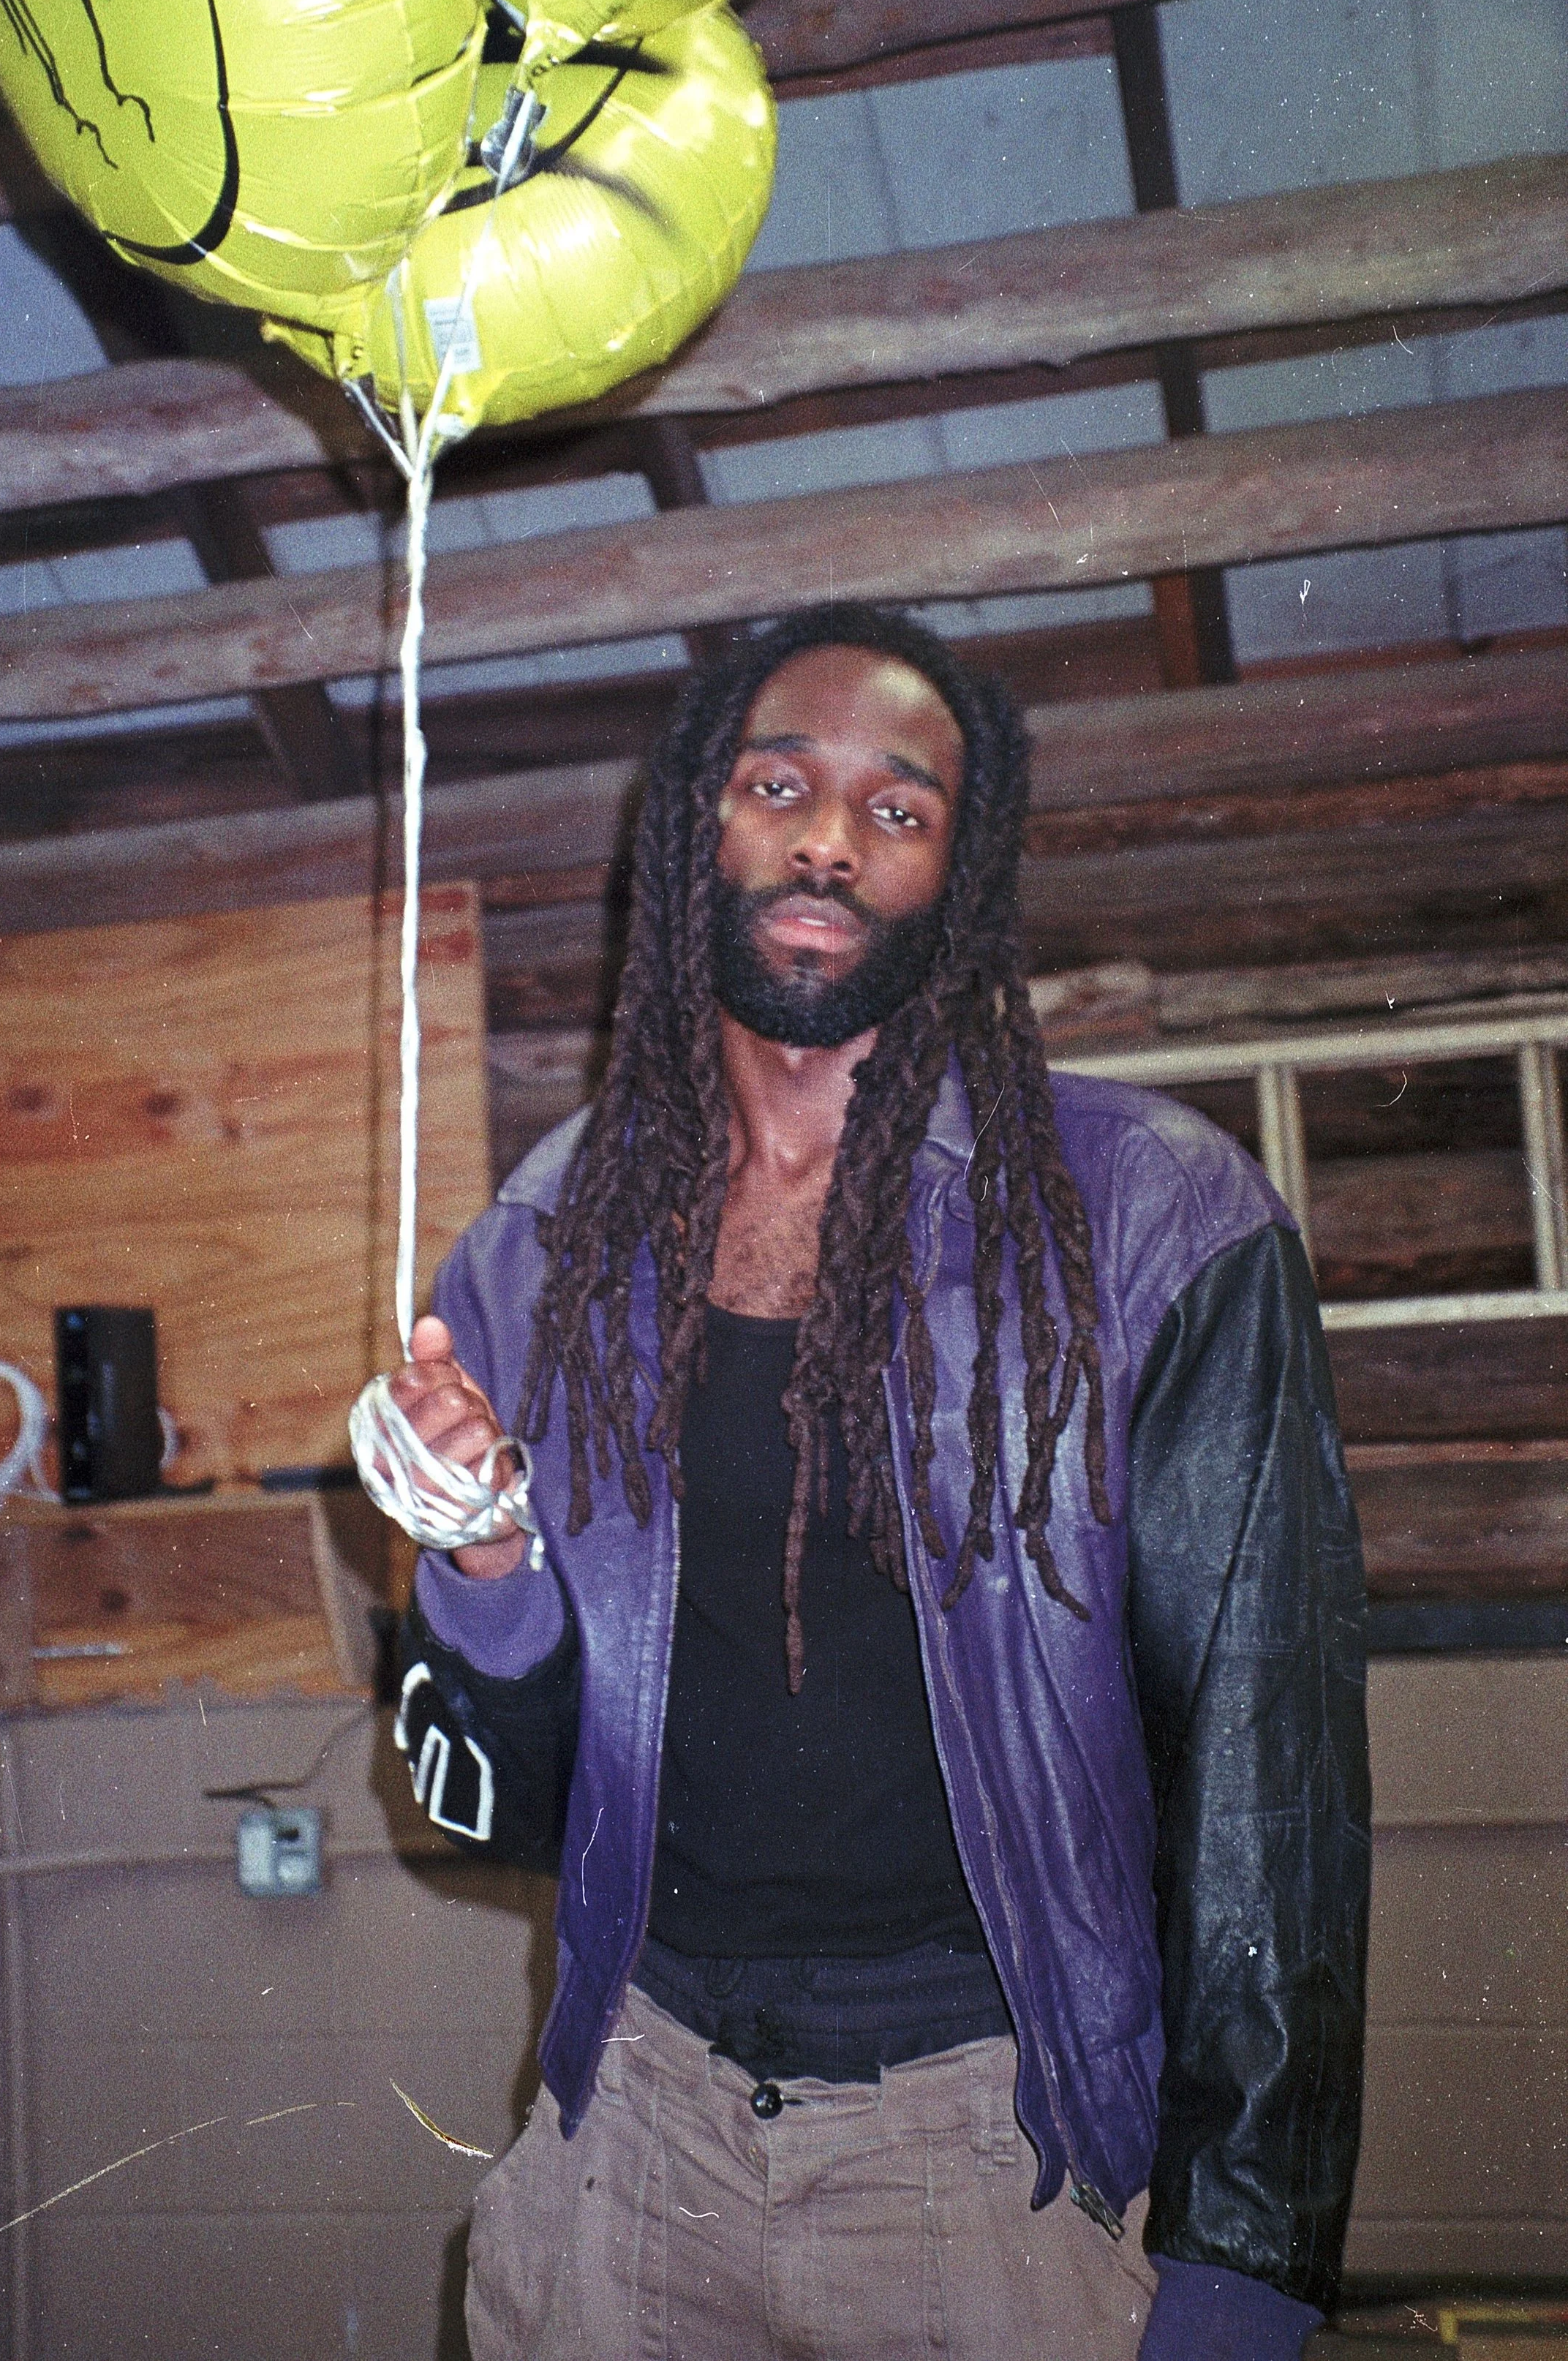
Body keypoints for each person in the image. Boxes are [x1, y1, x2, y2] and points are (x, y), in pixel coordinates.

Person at [382, 602, 1369, 2361]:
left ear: (959, 875)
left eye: (896, 808)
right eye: (779, 784)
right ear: (696, 825)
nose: (829, 837)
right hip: (635, 2139)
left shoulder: (1152, 1217)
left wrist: (1243, 2261)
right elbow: (486, 1819)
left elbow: (1264, 1778)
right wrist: (480, 1567)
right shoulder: (543, 1243)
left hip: (995, 2157)